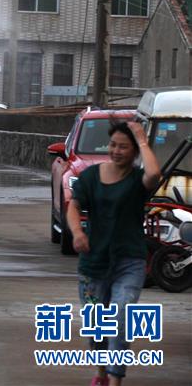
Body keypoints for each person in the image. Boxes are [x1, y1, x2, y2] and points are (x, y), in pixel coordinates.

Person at [67, 120, 162, 386]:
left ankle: (115, 378)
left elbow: (154, 174)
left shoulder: (137, 181)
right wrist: (77, 232)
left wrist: (143, 141)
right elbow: (74, 207)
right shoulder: (90, 177)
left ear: (134, 152)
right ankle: (101, 374)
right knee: (98, 325)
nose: (116, 150)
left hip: (129, 260)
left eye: (124, 146)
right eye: (113, 145)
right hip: (94, 262)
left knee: (121, 315)